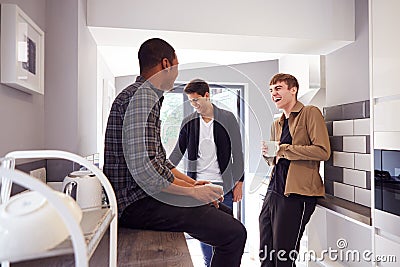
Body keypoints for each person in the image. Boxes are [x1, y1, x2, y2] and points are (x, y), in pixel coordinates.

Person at [103, 38, 246, 267]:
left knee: (224, 214)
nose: (177, 73)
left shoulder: (145, 96)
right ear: (166, 63)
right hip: (134, 204)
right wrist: (191, 194)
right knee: (235, 233)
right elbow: (146, 174)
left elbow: (160, 162)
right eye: (177, 66)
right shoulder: (142, 98)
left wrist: (193, 185)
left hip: (142, 198)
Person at [169, 79, 244, 267]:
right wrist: (162, 168)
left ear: (207, 96)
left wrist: (240, 182)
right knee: (205, 238)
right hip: (198, 188)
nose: (193, 105)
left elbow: (238, 151)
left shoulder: (227, 118)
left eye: (196, 100)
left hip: (223, 187)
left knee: (226, 236)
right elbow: (178, 152)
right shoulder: (189, 122)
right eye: (190, 101)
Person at [259, 73, 330, 267]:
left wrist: (283, 149)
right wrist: (268, 154)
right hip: (274, 190)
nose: (274, 93)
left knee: (284, 254)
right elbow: (275, 160)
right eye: (271, 90)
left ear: (293, 90)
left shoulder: (310, 113)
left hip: (297, 194)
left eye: (278, 88)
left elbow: (323, 151)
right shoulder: (277, 123)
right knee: (266, 251)